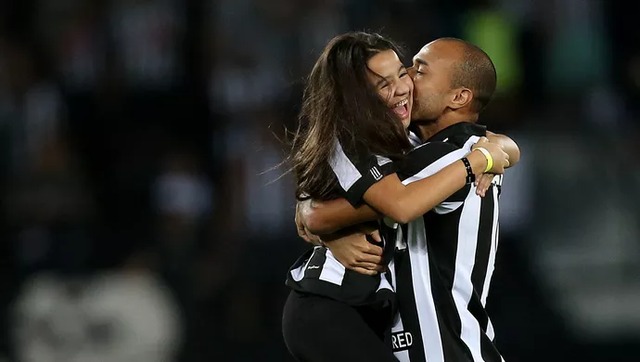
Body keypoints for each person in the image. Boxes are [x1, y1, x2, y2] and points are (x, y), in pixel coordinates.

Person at [281, 32, 510, 362]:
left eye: (415, 71)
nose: (407, 84)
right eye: (384, 82)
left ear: (458, 97)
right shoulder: (445, 151)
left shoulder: (443, 154)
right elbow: (394, 203)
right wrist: (316, 221)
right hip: (334, 307)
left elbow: (395, 204)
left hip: (447, 343)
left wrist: (316, 220)